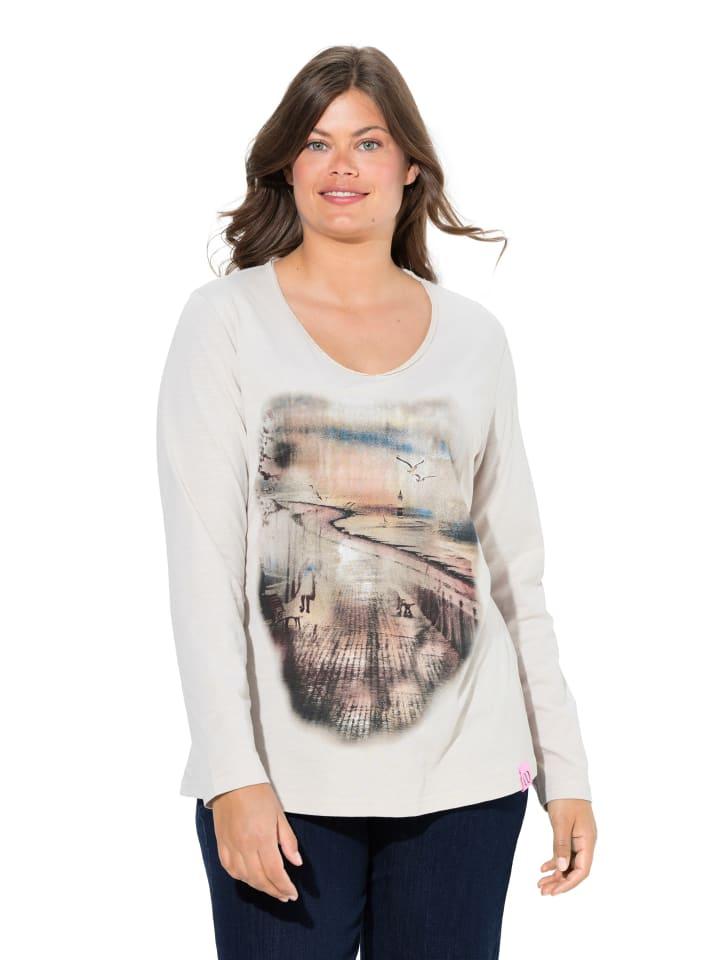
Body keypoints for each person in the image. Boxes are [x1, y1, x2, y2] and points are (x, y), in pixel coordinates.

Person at [156, 44, 597, 960]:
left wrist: (568, 771)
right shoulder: (225, 322)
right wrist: (232, 775)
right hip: (282, 789)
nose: (343, 166)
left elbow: (515, 574)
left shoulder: (475, 340)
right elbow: (203, 568)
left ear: (410, 168)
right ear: (286, 165)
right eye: (317, 143)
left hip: (468, 783)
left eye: (368, 142)